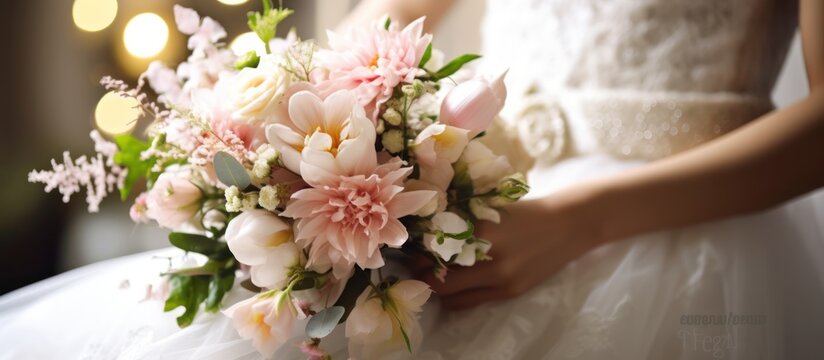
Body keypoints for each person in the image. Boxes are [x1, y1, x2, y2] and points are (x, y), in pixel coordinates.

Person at [2, 0, 823, 359]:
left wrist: (583, 219)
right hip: (481, 187)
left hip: (671, 223)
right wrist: (281, 120)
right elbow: (386, 19)